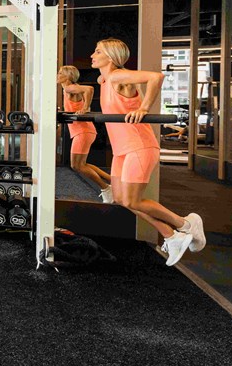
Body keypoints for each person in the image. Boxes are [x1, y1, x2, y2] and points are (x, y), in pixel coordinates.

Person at [91, 39, 205, 265]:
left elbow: (156, 77)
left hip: (139, 146)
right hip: (123, 149)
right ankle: (173, 237)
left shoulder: (117, 76)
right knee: (122, 199)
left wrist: (144, 108)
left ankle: (185, 225)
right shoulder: (105, 79)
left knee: (133, 200)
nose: (92, 54)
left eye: (98, 51)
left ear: (111, 57)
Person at [57, 65, 114, 203]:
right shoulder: (67, 90)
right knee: (82, 164)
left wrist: (85, 107)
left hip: (83, 132)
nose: (57, 75)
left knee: (77, 165)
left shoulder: (70, 87)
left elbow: (89, 89)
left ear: (68, 76)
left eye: (60, 73)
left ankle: (106, 188)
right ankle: (113, 182)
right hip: (82, 131)